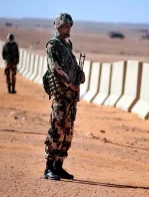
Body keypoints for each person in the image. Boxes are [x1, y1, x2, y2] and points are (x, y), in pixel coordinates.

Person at [43, 13, 85, 181]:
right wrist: (69, 84)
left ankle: (59, 166)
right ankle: (48, 167)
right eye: (65, 26)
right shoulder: (52, 45)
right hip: (61, 96)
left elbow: (72, 65)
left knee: (68, 133)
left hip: (71, 98)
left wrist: (79, 74)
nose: (68, 29)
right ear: (58, 27)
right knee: (56, 131)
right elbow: (55, 68)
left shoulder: (68, 45)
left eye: (70, 26)